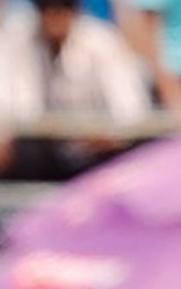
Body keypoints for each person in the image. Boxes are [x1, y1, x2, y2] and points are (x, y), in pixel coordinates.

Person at [0, 0, 151, 180]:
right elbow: (14, 103)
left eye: (63, 6)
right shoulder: (18, 37)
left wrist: (110, 134)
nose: (54, 15)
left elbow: (132, 107)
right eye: (46, 7)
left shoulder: (102, 40)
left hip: (95, 151)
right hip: (41, 150)